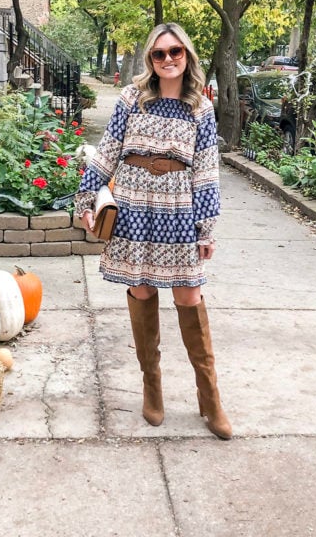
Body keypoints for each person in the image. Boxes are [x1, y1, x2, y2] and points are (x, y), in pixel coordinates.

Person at [75, 23, 231, 439]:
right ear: (150, 58)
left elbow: (207, 170)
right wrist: (86, 199)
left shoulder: (201, 106)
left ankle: (210, 396)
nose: (167, 60)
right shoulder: (132, 98)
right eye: (159, 53)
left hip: (178, 209)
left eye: (175, 51)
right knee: (142, 291)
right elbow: (108, 151)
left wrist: (206, 228)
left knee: (189, 295)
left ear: (187, 55)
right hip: (133, 206)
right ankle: (152, 387)